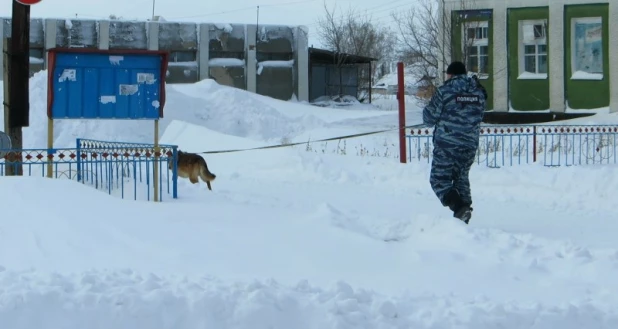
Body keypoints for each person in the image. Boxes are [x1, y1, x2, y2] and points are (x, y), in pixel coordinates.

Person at [422, 61, 487, 224]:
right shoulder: (478, 92)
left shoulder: (445, 91)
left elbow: (429, 118)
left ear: (450, 74)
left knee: (439, 180)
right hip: (470, 145)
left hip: (447, 145)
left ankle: (459, 208)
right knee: (461, 178)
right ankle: (464, 216)